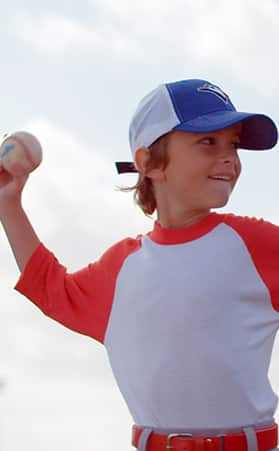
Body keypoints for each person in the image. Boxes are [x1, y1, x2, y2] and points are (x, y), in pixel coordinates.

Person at [0, 78, 279, 451]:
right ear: (149, 162)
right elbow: (53, 289)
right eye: (208, 141)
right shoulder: (121, 267)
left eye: (233, 144)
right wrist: (9, 204)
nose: (229, 157)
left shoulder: (258, 244)